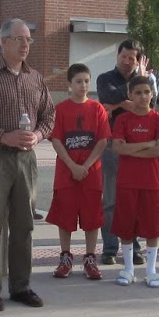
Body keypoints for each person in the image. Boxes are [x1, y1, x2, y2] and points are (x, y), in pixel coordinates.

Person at [0, 18, 54, 311]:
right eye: (20, 39)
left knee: (23, 225)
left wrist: (37, 135)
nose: (26, 45)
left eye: (29, 39)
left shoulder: (35, 79)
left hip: (25, 159)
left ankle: (21, 286)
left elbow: (48, 117)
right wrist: (5, 136)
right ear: (3, 42)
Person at [46, 63, 109, 280]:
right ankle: (65, 257)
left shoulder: (97, 108)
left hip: (91, 172)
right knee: (65, 216)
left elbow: (101, 141)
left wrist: (86, 166)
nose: (83, 86)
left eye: (86, 81)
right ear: (70, 84)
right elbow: (56, 140)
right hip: (67, 172)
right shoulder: (61, 109)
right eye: (79, 81)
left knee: (92, 217)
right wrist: (72, 166)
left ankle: (90, 258)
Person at [95, 39, 152, 266]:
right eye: (124, 57)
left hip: (137, 146)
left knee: (133, 199)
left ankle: (133, 247)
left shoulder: (145, 81)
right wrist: (126, 98)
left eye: (132, 58)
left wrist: (119, 105)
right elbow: (108, 97)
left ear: (138, 60)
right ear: (117, 56)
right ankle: (109, 248)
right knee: (110, 200)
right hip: (111, 145)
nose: (127, 62)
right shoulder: (104, 79)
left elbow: (146, 106)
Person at [110, 76, 159, 287]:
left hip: (150, 183)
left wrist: (132, 148)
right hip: (126, 182)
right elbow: (118, 148)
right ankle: (128, 269)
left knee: (152, 228)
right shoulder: (122, 120)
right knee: (126, 228)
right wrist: (147, 144)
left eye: (146, 92)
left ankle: (151, 270)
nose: (143, 96)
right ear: (130, 95)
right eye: (138, 93)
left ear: (152, 94)